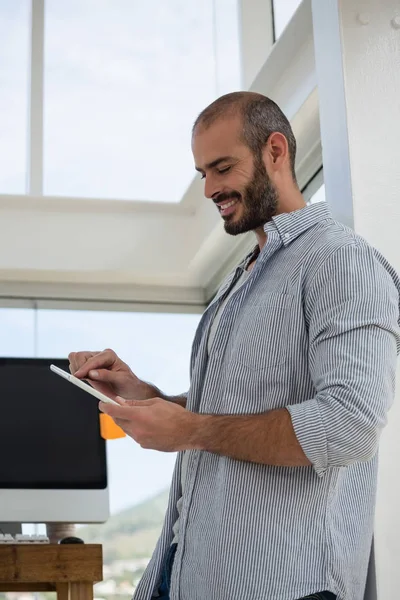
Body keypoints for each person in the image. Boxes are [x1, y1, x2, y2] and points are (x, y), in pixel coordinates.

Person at [68, 92, 400, 600]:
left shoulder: (339, 262)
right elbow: (224, 414)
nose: (210, 189)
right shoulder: (241, 277)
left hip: (286, 586)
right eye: (203, 173)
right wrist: (142, 394)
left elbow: (350, 426)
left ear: (275, 151)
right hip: (187, 575)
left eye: (222, 168)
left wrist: (192, 430)